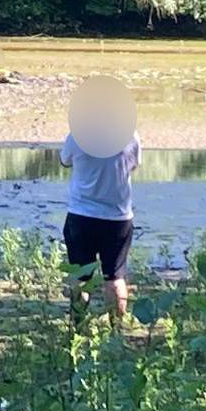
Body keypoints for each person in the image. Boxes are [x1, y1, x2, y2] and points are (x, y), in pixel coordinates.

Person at [58, 132, 140, 322]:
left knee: (81, 276)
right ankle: (116, 329)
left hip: (82, 215)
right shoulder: (130, 135)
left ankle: (77, 327)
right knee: (115, 276)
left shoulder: (77, 135)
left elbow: (65, 161)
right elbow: (133, 165)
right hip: (118, 217)